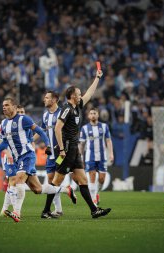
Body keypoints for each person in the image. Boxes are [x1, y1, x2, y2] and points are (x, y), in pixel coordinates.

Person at [0, 97, 76, 222]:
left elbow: (40, 131)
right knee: (37, 189)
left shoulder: (23, 119)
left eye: (7, 105)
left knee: (18, 179)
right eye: (3, 106)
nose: (4, 108)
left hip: (27, 155)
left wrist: (48, 145)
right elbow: (5, 142)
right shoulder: (4, 124)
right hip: (18, 159)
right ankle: (66, 190)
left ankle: (17, 212)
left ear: (14, 107)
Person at [42, 69, 112, 219]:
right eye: (78, 93)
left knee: (82, 179)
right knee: (56, 181)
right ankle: (46, 210)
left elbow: (89, 94)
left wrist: (97, 78)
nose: (81, 95)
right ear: (72, 96)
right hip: (66, 150)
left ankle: (94, 210)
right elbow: (57, 129)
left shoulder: (77, 107)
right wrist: (61, 149)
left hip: (74, 150)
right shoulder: (67, 109)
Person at [36, 90, 64, 218]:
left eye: (47, 97)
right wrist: (30, 140)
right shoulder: (45, 115)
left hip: (61, 155)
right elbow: (41, 131)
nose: (44, 99)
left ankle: (57, 208)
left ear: (54, 100)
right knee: (50, 181)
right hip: (50, 155)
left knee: (55, 181)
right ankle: (58, 209)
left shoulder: (63, 113)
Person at [79, 107, 114, 205]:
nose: (93, 115)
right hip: (90, 157)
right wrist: (80, 156)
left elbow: (108, 140)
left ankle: (97, 193)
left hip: (102, 157)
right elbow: (81, 144)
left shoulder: (104, 126)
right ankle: (94, 200)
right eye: (91, 113)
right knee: (92, 176)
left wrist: (111, 153)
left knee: (102, 179)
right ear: (88, 116)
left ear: (98, 115)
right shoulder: (84, 128)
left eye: (94, 113)